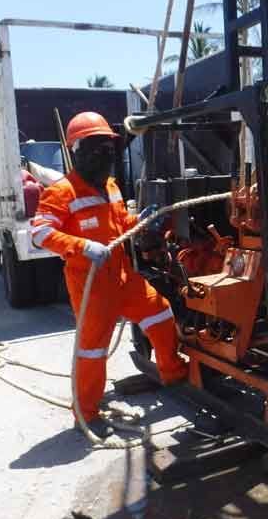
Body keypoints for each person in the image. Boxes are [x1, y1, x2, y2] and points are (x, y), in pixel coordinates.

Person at [32, 112, 187, 433]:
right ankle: (86, 414)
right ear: (77, 152)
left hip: (123, 277)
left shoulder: (112, 187)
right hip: (92, 288)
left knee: (160, 314)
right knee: (92, 352)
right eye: (97, 149)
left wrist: (141, 221)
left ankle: (173, 374)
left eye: (108, 148)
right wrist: (83, 246)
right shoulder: (61, 192)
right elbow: (40, 233)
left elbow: (119, 225)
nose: (105, 155)